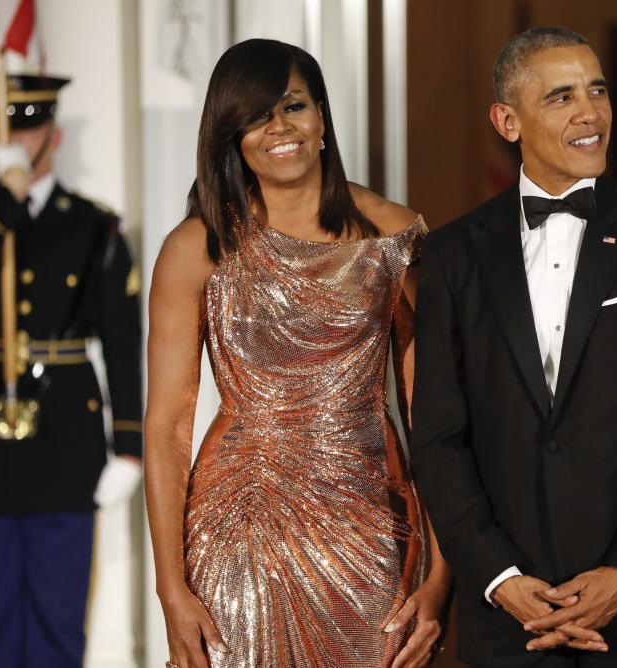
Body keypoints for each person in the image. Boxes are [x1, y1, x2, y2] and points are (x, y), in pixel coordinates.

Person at [411, 27, 617, 668]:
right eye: (561, 97)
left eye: (598, 91)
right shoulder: (451, 255)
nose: (591, 113)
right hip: (510, 623)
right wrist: (499, 578)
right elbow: (439, 437)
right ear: (507, 120)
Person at [144, 38, 451, 668]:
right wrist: (170, 586)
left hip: (371, 523)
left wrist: (442, 573)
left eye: (293, 106)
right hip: (236, 532)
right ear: (231, 133)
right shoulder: (197, 247)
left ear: (322, 117)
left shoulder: (393, 236)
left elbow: (437, 417)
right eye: (256, 115)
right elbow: (169, 424)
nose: (278, 129)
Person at [0, 74, 143, 668]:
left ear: (52, 132)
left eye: (28, 125)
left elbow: (123, 340)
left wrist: (128, 447)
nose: (18, 138)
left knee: (57, 621)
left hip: (63, 439)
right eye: (5, 126)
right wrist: (5, 194)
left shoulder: (92, 225)